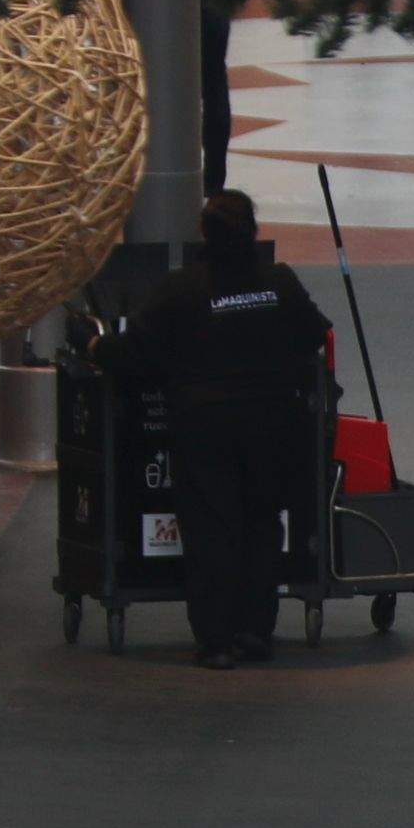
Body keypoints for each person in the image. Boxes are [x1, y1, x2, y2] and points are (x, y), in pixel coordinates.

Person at [116, 192, 330, 669]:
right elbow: (314, 332)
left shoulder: (180, 290)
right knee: (260, 524)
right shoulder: (279, 281)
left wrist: (92, 345)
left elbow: (134, 354)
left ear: (204, 235)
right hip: (273, 424)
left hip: (205, 427)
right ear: (252, 231)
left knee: (212, 528)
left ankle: (216, 640)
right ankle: (256, 630)